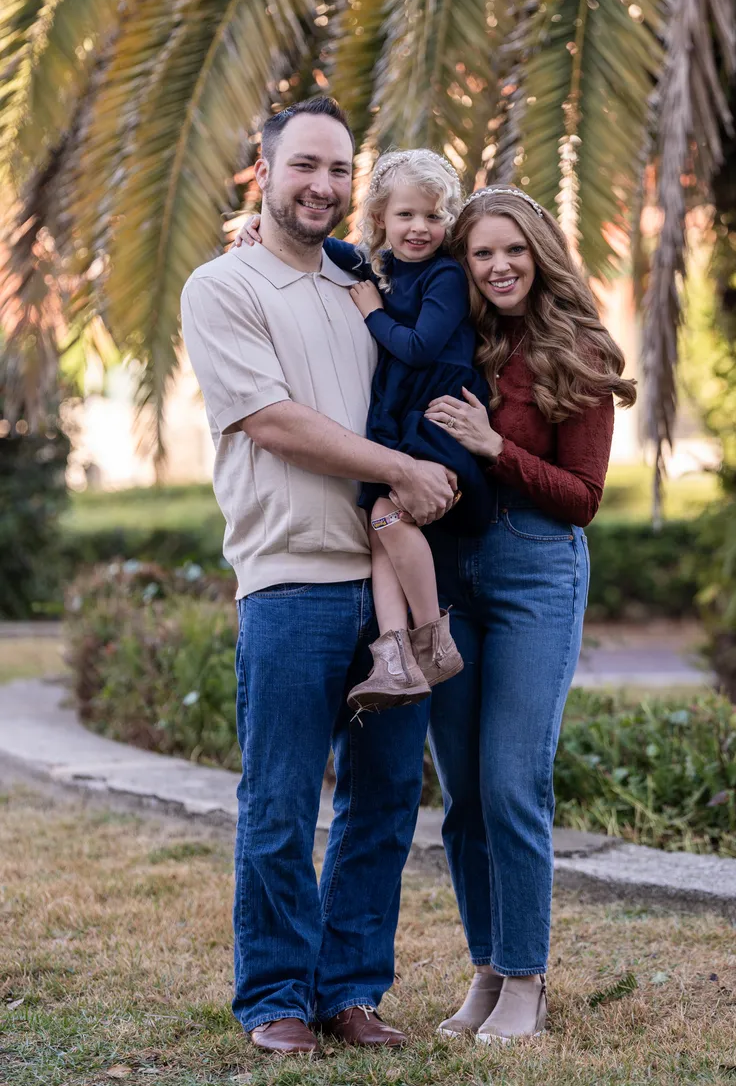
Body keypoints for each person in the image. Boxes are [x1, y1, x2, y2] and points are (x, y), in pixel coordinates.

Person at [180, 97, 456, 1058]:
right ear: (264, 171)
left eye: (339, 170)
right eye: (304, 165)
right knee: (282, 803)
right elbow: (272, 421)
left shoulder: (363, 282)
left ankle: (350, 991)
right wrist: (400, 469)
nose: (323, 185)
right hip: (291, 581)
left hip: (389, 585)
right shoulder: (223, 286)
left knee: (382, 805)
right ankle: (274, 998)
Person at [422, 186, 637, 1044]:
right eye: (482, 252)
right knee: (462, 795)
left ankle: (525, 978)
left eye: (514, 249)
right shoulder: (451, 337)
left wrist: (493, 446)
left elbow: (583, 498)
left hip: (534, 570)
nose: (499, 265)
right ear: (464, 263)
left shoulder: (577, 348)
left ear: (541, 253)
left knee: (512, 782)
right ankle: (486, 966)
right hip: (446, 569)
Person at [239, 148, 493, 714]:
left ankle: (433, 638)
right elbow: (327, 247)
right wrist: (261, 224)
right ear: (380, 216)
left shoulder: (445, 275)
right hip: (399, 419)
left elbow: (419, 347)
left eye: (433, 216)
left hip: (436, 416)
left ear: (448, 220)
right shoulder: (377, 265)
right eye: (405, 215)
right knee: (381, 526)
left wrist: (372, 312)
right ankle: (394, 656)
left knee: (388, 517)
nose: (419, 227)